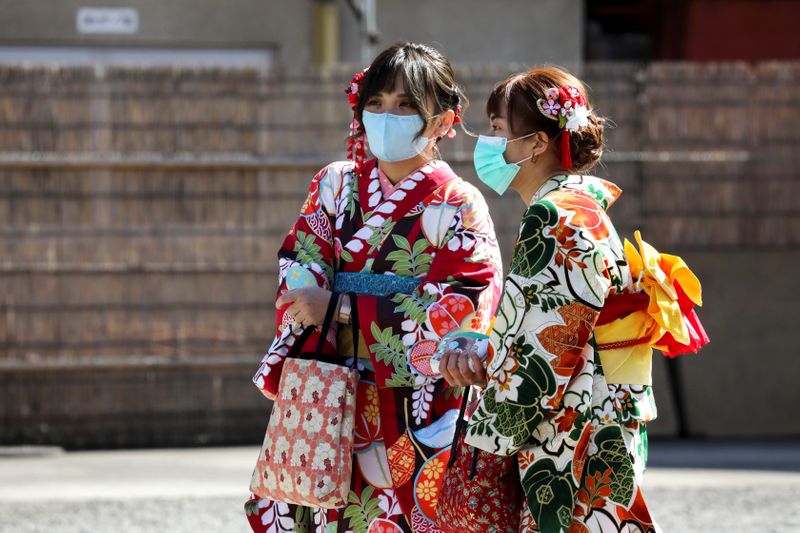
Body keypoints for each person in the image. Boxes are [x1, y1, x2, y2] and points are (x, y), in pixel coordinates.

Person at [246, 42, 504, 533]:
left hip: (414, 398)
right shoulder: (335, 184)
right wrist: (313, 303)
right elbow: (302, 257)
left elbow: (464, 303)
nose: (389, 116)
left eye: (407, 105)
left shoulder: (459, 203)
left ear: (446, 119)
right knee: (319, 500)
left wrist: (340, 307)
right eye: (377, 103)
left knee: (399, 513)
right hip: (328, 381)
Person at [437, 66, 698, 532]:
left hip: (574, 427)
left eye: (499, 130)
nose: (489, 143)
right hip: (601, 408)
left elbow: (548, 347)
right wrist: (488, 351)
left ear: (537, 143)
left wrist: (487, 438)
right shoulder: (582, 207)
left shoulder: (553, 214)